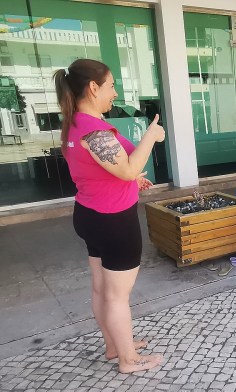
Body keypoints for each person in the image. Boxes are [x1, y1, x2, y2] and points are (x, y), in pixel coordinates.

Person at [53, 59, 164, 374]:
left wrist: (131, 180)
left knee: (102, 289)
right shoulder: (95, 131)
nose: (115, 93)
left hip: (90, 215)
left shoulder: (74, 124)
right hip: (113, 221)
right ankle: (128, 359)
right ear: (93, 87)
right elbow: (125, 168)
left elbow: (99, 170)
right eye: (111, 85)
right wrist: (151, 136)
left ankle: (115, 346)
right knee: (116, 296)